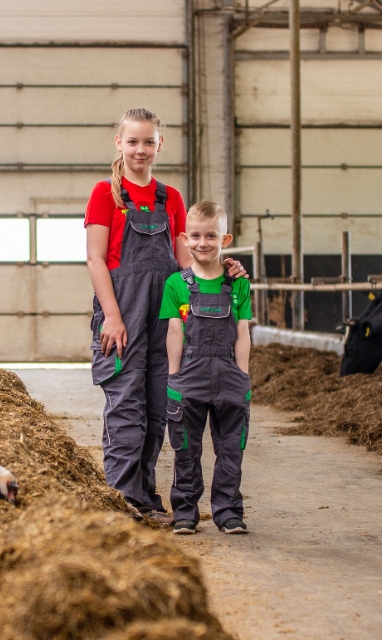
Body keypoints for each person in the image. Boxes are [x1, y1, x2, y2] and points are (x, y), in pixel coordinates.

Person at [85, 108, 245, 523]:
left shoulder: (170, 198)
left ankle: (144, 494)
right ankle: (123, 499)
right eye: (133, 141)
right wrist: (113, 317)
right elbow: (96, 259)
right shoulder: (105, 193)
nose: (141, 149)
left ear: (160, 145)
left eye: (149, 141)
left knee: (160, 410)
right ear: (118, 143)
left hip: (166, 318)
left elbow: (186, 262)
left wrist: (225, 267)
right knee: (126, 408)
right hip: (122, 313)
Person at [159, 201, 252, 535]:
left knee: (230, 450)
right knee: (186, 449)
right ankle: (185, 511)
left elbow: (243, 332)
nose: (202, 242)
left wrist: (243, 376)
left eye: (211, 236)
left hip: (229, 377)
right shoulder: (176, 283)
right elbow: (174, 331)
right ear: (184, 238)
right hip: (189, 378)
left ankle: (228, 512)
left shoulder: (238, 284)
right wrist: (173, 377)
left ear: (225, 240)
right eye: (196, 236)